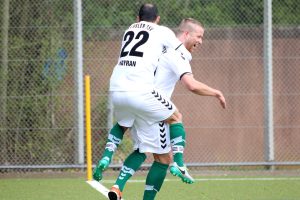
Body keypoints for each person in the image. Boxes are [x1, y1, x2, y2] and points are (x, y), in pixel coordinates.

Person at [105, 18, 226, 200]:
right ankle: (178, 164)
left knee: (141, 150)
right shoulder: (178, 54)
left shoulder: (156, 44)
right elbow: (191, 85)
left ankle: (117, 187)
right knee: (163, 159)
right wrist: (216, 92)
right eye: (199, 36)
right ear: (185, 34)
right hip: (153, 108)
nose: (201, 41)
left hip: (135, 98)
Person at [93, 3, 194, 188]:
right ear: (158, 19)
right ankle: (179, 163)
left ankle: (107, 156)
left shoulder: (129, 29)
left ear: (137, 18)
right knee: (176, 117)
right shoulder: (162, 31)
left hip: (116, 88)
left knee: (123, 124)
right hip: (141, 90)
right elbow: (182, 52)